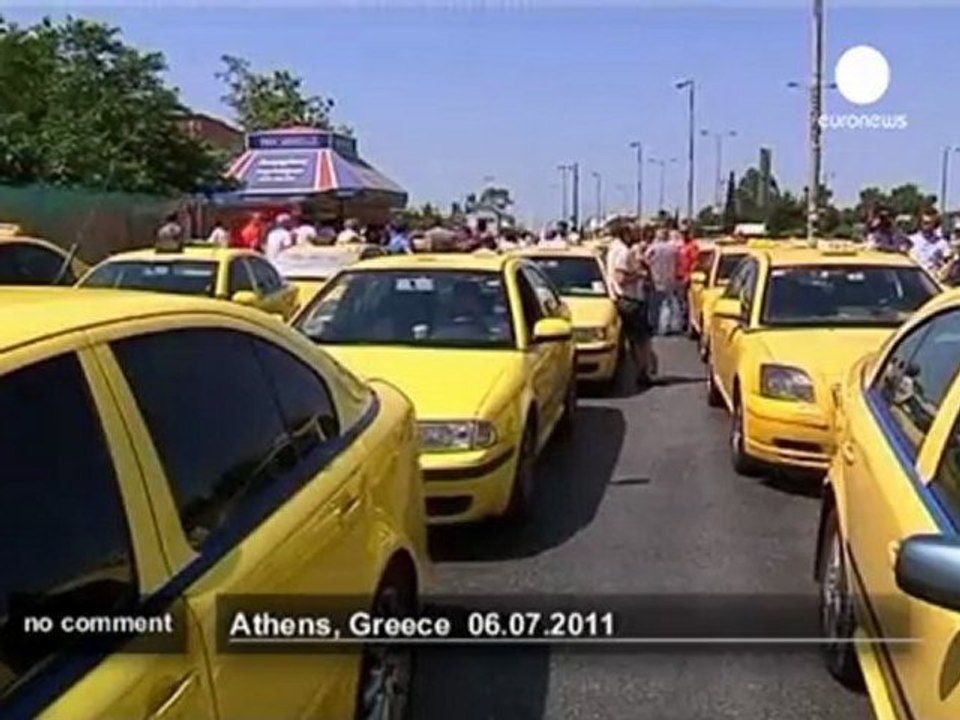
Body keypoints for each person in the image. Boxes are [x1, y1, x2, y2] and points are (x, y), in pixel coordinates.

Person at [607, 223, 655, 387]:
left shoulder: (614, 249)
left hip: (624, 298)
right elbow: (621, 278)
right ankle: (643, 372)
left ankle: (640, 370)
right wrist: (640, 275)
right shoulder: (623, 252)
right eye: (634, 231)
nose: (637, 234)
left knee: (634, 339)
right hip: (630, 299)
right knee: (641, 339)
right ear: (625, 233)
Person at [644, 227, 682, 335]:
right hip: (670, 278)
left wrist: (651, 266)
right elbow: (678, 262)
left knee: (657, 304)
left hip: (656, 278)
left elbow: (645, 259)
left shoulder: (653, 248)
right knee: (670, 303)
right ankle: (671, 326)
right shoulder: (673, 249)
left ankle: (659, 327)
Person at [908, 210, 952, 274]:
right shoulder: (910, 240)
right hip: (914, 277)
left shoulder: (942, 243)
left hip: (932, 278)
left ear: (935, 224)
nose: (926, 225)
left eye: (929, 223)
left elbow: (948, 263)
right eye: (924, 222)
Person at [677, 225, 699, 333]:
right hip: (680, 276)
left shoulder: (692, 246)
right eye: (682, 233)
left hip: (687, 277)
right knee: (681, 302)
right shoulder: (682, 246)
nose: (684, 235)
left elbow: (695, 262)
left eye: (685, 233)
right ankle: (682, 322)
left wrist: (689, 275)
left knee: (686, 302)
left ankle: (686, 324)